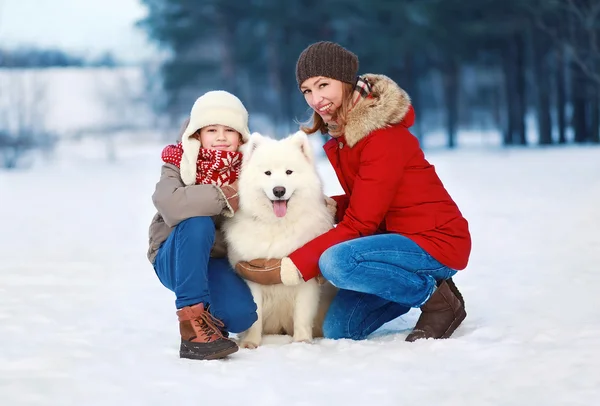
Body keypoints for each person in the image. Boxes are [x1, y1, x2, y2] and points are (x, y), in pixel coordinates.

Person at [235, 41, 471, 342]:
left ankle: (438, 300)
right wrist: (322, 205)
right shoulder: (343, 136)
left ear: (345, 81)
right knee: (340, 329)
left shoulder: (382, 136)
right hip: (390, 243)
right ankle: (416, 283)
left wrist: (292, 267)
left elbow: (361, 223)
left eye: (323, 85)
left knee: (337, 262)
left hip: (434, 241)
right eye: (307, 90)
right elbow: (371, 198)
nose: (316, 98)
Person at [147, 90, 258, 360]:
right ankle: (192, 327)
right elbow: (171, 203)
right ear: (198, 134)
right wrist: (226, 195)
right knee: (196, 222)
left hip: (216, 259)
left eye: (229, 130)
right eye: (212, 129)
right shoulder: (178, 161)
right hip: (173, 255)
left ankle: (210, 320)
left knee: (241, 317)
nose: (221, 137)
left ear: (241, 136)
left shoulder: (253, 166)